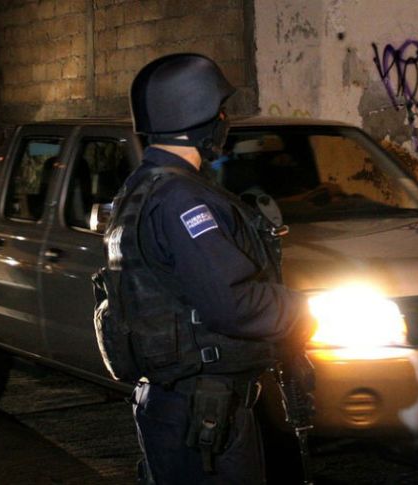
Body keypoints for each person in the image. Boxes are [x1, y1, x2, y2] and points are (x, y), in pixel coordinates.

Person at [112, 53, 315, 484]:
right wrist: (306, 309)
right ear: (194, 113)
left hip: (180, 406)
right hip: (204, 413)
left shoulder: (143, 186)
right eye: (220, 111)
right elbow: (231, 303)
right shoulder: (182, 199)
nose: (225, 120)